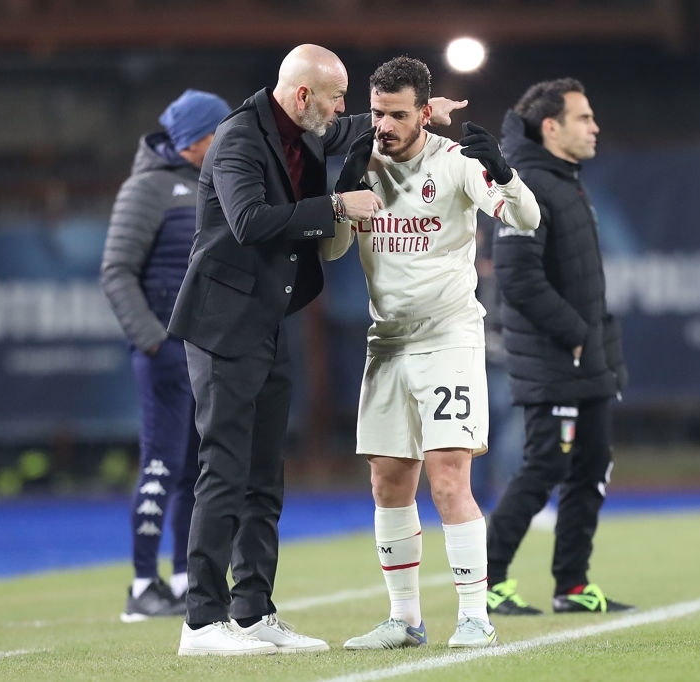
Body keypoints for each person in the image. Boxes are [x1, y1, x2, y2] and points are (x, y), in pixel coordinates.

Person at [167, 44, 466, 657]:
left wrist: (422, 110)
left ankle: (252, 613)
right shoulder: (238, 141)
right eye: (334, 98)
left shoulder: (303, 127)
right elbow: (249, 222)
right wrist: (334, 206)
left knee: (263, 475)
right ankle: (201, 622)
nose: (344, 111)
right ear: (303, 96)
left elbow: (360, 126)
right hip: (224, 325)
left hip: (269, 320)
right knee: (223, 469)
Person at [321, 56, 539, 650]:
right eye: (378, 113)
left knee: (448, 478)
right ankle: (405, 619)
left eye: (398, 114)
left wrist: (504, 172)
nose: (385, 125)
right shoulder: (362, 162)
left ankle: (474, 615)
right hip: (386, 340)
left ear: (424, 112)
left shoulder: (457, 163)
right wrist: (343, 197)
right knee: (389, 481)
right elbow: (336, 252)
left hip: (447, 336)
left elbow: (526, 217)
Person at [483, 78, 634, 616]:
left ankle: (571, 585)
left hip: (585, 357)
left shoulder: (566, 181)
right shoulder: (525, 186)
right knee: (543, 465)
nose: (594, 127)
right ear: (551, 128)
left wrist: (597, 344)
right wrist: (572, 333)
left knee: (592, 468)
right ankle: (487, 582)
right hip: (553, 355)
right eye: (583, 118)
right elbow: (519, 279)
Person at [100, 88, 231, 623]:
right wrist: (153, 340)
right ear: (198, 138)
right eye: (219, 131)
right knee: (160, 463)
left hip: (203, 354)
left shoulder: (210, 183)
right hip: (163, 355)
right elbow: (116, 271)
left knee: (195, 471)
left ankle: (182, 580)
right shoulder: (147, 188)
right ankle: (139, 587)